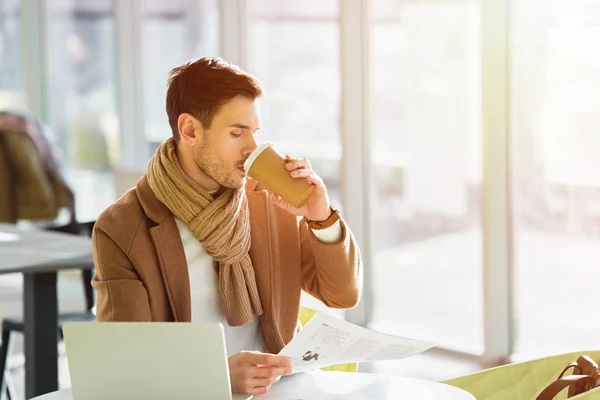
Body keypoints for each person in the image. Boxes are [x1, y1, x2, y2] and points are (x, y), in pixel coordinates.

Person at [91, 57, 362, 395]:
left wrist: (319, 216)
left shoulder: (268, 199)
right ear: (190, 130)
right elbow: (125, 361)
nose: (251, 148)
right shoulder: (122, 227)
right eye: (236, 133)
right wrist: (215, 375)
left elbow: (342, 294)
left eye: (255, 132)